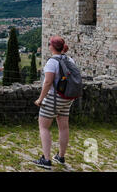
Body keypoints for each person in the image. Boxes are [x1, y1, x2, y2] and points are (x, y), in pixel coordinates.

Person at [33, 36, 75, 169]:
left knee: (44, 127)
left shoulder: (52, 62)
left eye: (49, 44)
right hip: (67, 98)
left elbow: (48, 82)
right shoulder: (70, 59)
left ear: (52, 47)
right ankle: (61, 157)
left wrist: (40, 99)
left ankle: (46, 160)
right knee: (64, 127)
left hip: (53, 98)